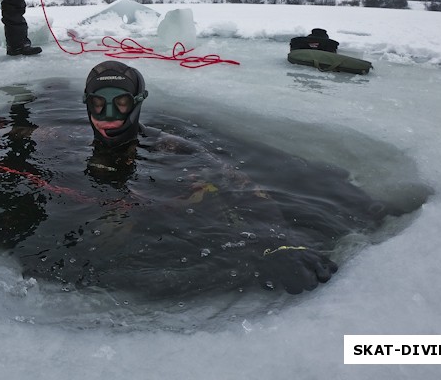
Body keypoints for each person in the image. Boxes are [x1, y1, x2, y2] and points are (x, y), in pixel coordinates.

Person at [81, 60, 342, 295]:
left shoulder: (174, 149)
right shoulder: (62, 140)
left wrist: (279, 244)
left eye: (122, 103)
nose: (109, 117)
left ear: (138, 102)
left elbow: (243, 189)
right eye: (98, 104)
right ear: (87, 103)